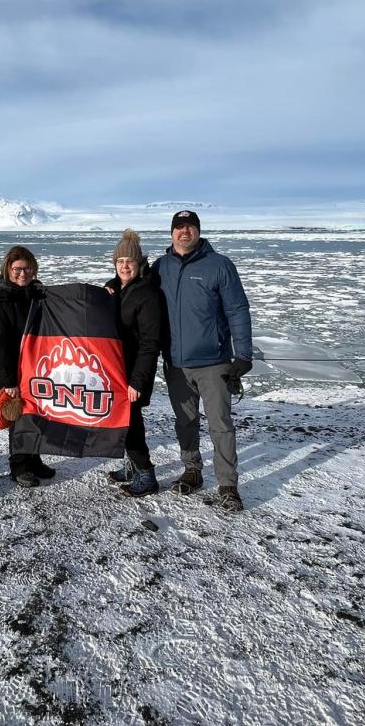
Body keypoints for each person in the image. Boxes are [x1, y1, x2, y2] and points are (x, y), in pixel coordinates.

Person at [153, 210, 252, 512]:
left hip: (213, 361)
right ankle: (192, 470)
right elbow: (135, 291)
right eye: (179, 228)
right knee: (185, 421)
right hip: (176, 363)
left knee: (221, 424)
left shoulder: (219, 265)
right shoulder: (160, 267)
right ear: (172, 233)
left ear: (198, 231)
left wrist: (243, 355)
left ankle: (227, 485)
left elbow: (237, 310)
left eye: (190, 227)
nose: (185, 233)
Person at [0, 245, 55, 488]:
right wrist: (7, 380)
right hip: (15, 369)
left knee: (36, 415)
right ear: (8, 269)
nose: (22, 274)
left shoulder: (37, 293)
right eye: (17, 269)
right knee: (20, 419)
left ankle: (34, 459)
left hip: (38, 366)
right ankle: (19, 465)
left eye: (27, 268)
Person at [103, 229, 164, 497]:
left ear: (139, 263)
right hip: (116, 370)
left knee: (132, 424)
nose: (124, 266)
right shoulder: (119, 288)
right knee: (122, 420)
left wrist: (138, 381)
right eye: (120, 262)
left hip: (133, 373)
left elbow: (151, 343)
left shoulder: (147, 294)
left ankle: (146, 474)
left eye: (129, 261)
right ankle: (131, 468)